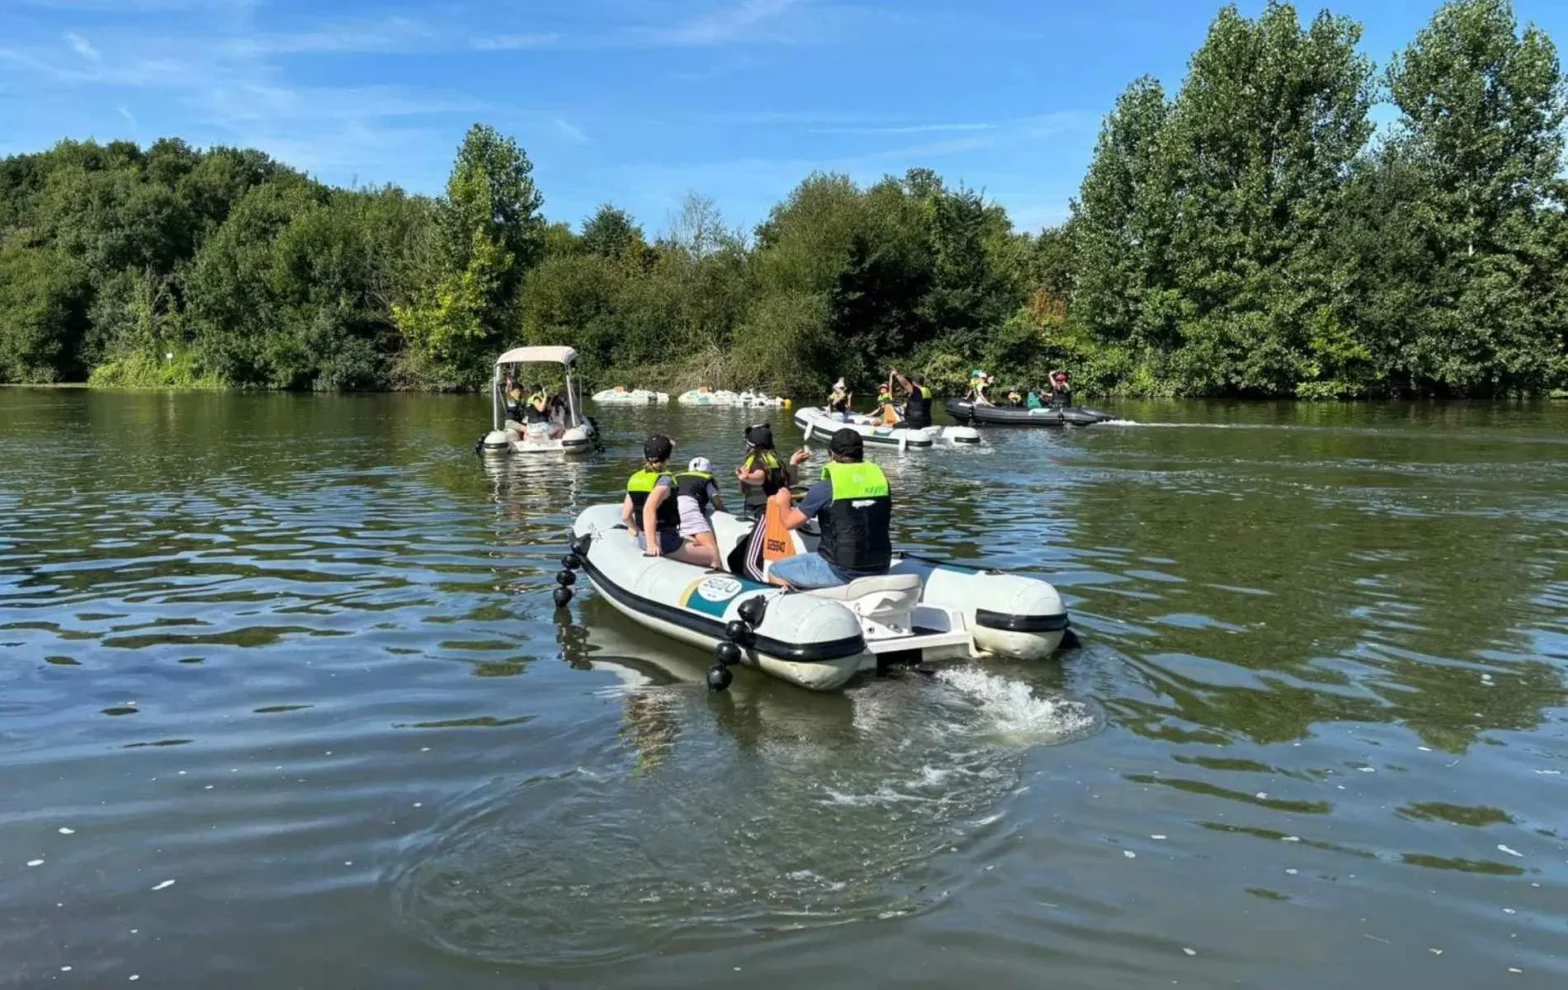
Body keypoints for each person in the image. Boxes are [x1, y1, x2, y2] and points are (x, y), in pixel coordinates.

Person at [766, 428, 892, 590]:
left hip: (841, 570)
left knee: (776, 570)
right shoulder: (881, 482)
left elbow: (790, 522)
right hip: (881, 566)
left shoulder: (826, 487)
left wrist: (783, 501)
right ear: (861, 453)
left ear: (831, 454)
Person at [623, 435, 709, 566]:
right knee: (712, 555)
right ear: (668, 457)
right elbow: (648, 509)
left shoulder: (635, 478)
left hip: (642, 538)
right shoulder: (664, 481)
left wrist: (635, 529)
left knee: (691, 541)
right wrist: (652, 544)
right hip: (664, 541)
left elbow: (625, 516)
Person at [735, 424, 809, 520]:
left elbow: (760, 478)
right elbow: (792, 484)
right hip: (783, 507)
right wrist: (793, 463)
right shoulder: (775, 460)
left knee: (754, 535)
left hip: (765, 511)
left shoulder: (755, 460)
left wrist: (746, 477)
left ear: (749, 444)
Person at [673, 456, 726, 570]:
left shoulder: (677, 477)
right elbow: (716, 501)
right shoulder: (706, 479)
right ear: (708, 470)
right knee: (712, 551)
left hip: (672, 511)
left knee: (689, 538)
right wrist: (725, 513)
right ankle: (717, 568)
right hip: (689, 509)